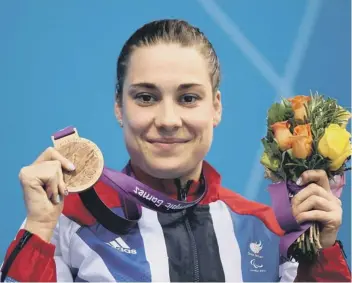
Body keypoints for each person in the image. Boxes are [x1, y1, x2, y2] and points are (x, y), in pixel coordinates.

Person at [0, 19, 350, 282]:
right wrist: (38, 228)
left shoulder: (267, 228)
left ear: (215, 107)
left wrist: (321, 254)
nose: (168, 120)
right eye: (146, 97)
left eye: (188, 98)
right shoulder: (71, 222)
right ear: (119, 108)